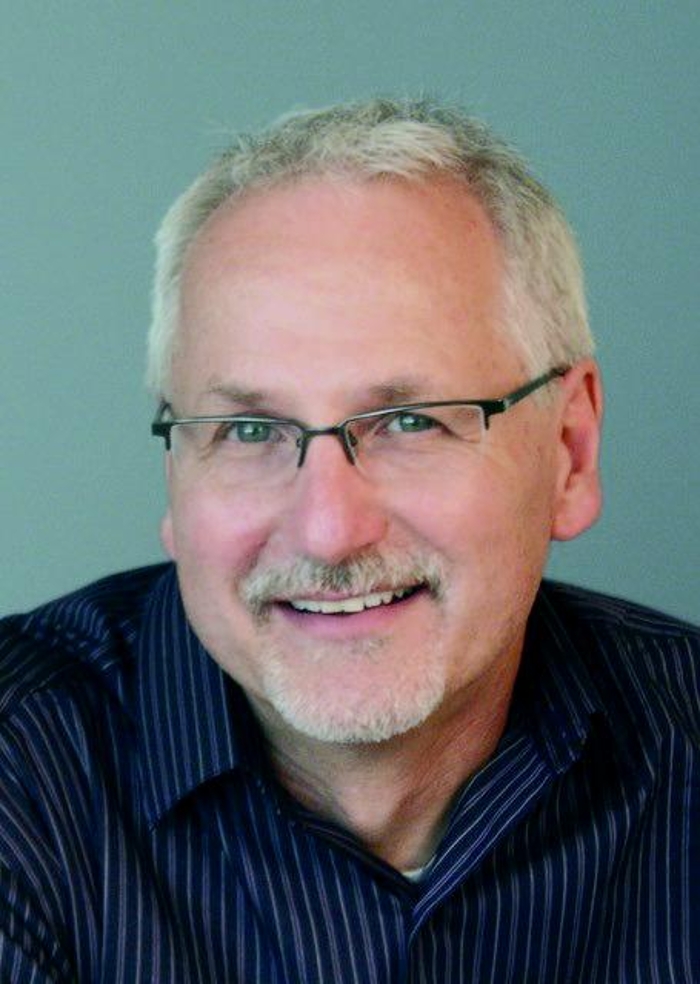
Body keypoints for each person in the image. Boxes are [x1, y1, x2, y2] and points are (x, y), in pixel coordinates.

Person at [0, 98, 697, 983]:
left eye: (410, 422)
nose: (328, 531)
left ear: (570, 450)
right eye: (249, 431)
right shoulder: (21, 773)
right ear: (176, 469)